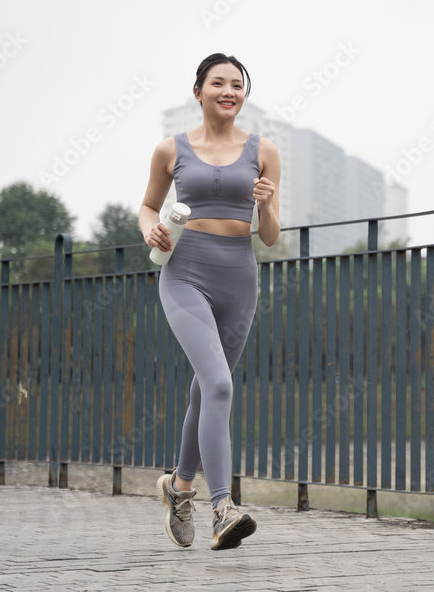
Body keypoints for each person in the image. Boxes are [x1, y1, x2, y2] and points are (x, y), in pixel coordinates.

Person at [138, 53, 281, 550]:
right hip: (185, 272)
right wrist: (149, 230)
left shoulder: (265, 151)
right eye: (217, 83)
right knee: (219, 383)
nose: (228, 91)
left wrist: (264, 205)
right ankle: (223, 506)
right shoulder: (169, 149)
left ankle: (178, 487)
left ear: (244, 94)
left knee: (206, 393)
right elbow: (148, 206)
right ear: (197, 91)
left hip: (239, 277)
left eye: (237, 84)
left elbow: (269, 236)